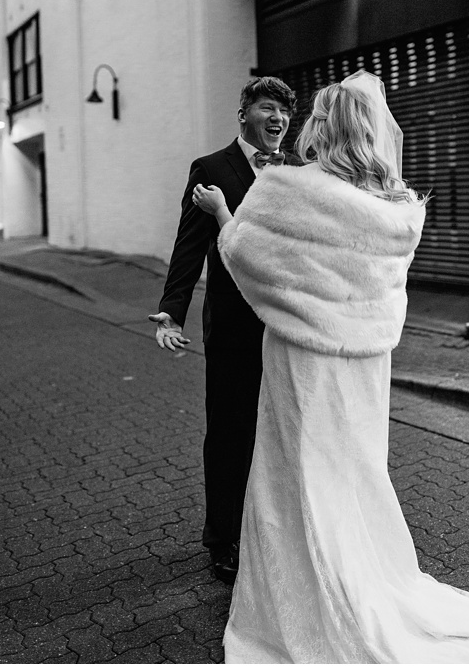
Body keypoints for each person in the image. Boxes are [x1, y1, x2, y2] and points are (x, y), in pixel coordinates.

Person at [192, 70, 469, 663]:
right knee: (353, 475)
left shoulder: (289, 188)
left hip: (304, 363)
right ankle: (362, 576)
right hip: (364, 369)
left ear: (324, 127)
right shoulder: (398, 208)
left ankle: (310, 601)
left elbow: (245, 259)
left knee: (296, 476)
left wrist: (225, 215)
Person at [148, 77, 297, 583]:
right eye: (268, 108)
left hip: (285, 324)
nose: (277, 120)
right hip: (233, 325)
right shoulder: (211, 169)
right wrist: (172, 309)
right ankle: (225, 539)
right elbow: (189, 245)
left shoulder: (297, 171)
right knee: (231, 432)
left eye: (284, 113)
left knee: (283, 433)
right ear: (244, 113)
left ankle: (275, 531)